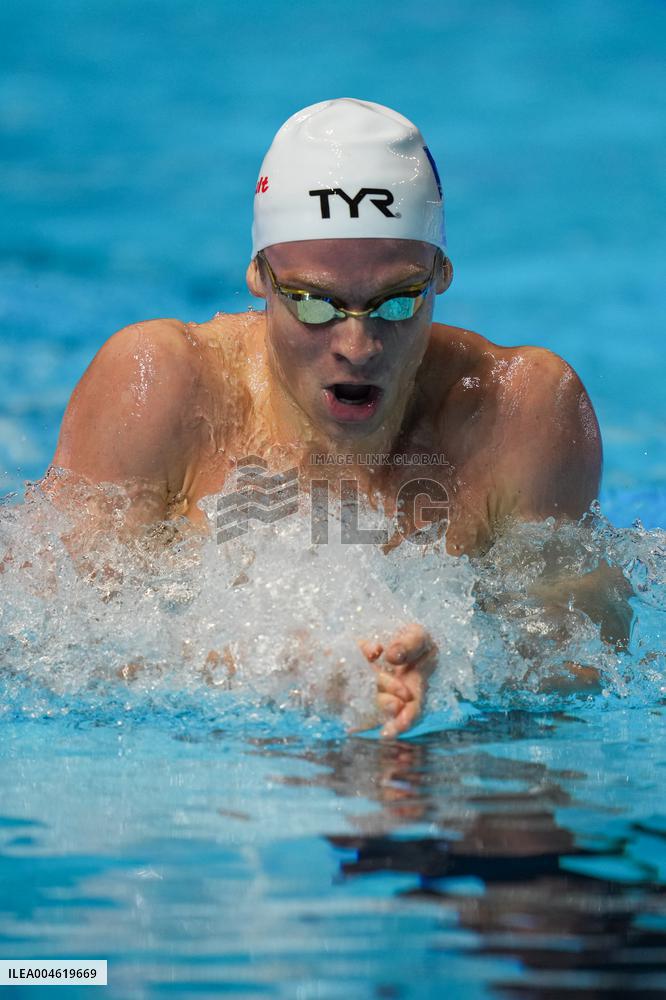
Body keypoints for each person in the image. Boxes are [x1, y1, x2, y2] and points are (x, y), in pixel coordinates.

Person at [43, 98, 621, 737]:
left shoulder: (522, 408)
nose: (357, 343)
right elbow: (54, 643)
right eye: (315, 304)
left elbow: (587, 657)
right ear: (259, 277)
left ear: (441, 274)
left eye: (398, 301)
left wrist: (457, 669)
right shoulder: (162, 388)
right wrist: (289, 670)